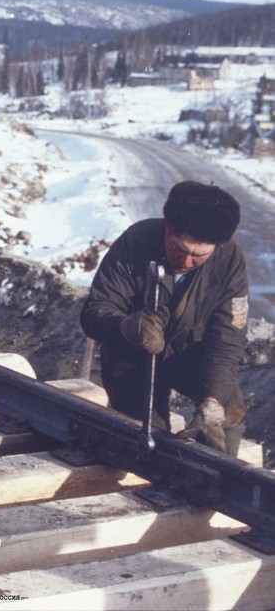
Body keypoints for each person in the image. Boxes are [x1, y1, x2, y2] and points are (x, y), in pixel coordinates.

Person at [80, 180, 248, 456]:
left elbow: (228, 335)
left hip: (188, 354)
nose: (186, 261)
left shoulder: (229, 260)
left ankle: (219, 482)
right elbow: (94, 312)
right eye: (179, 249)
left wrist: (213, 397)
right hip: (132, 358)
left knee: (226, 408)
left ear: (217, 247)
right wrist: (127, 326)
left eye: (199, 256)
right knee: (147, 441)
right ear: (167, 227)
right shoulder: (136, 242)